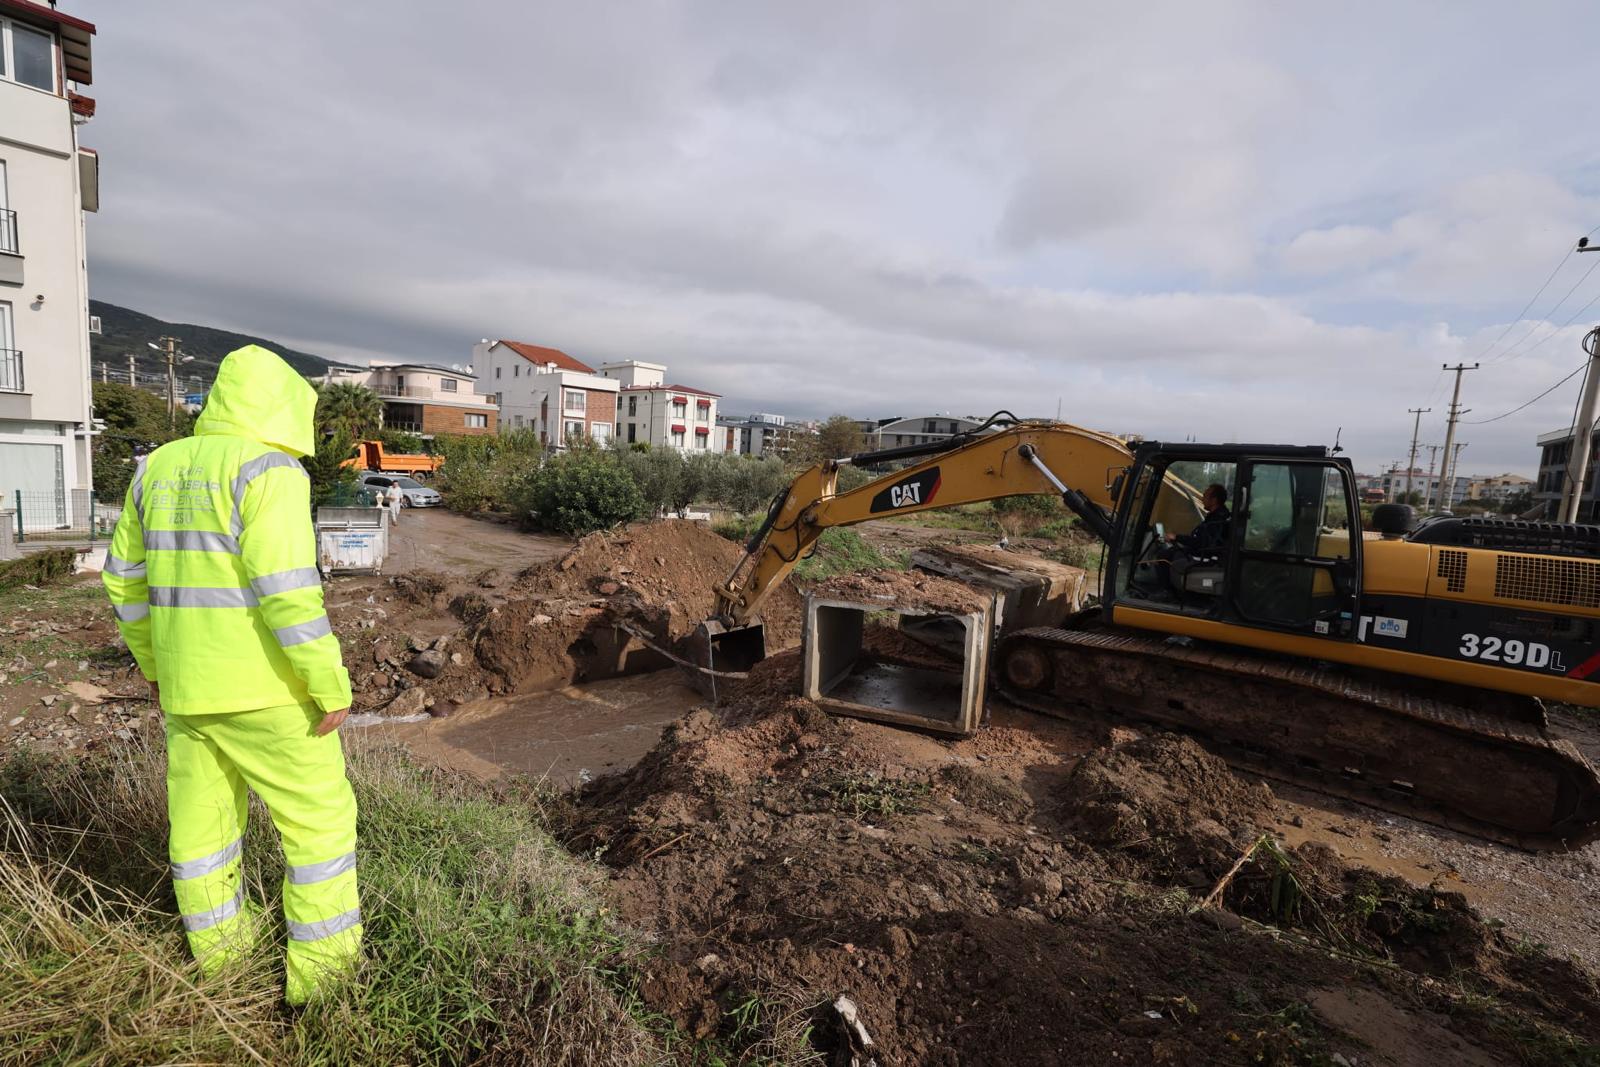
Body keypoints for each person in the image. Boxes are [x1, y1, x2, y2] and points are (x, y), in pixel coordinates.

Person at [102, 344, 359, 1006]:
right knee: (320, 829)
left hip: (188, 694)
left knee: (203, 836)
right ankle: (321, 985)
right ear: (284, 406)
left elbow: (123, 583)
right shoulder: (270, 471)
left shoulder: (152, 469)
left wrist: (155, 665)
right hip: (272, 697)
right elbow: (289, 595)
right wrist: (329, 686)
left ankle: (225, 969)